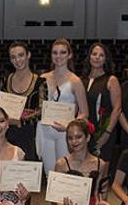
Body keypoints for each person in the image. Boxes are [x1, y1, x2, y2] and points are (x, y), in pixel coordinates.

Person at [36, 38, 89, 176]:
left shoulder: (75, 81)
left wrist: (69, 127)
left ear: (69, 55)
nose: (58, 56)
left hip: (65, 133)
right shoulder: (43, 78)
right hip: (45, 130)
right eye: (55, 53)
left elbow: (84, 113)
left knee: (65, 175)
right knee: (49, 174)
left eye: (62, 52)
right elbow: (37, 107)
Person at [82, 42, 122, 164]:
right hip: (84, 133)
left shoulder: (111, 80)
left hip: (103, 132)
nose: (97, 57)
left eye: (101, 55)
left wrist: (107, 133)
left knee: (102, 172)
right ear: (89, 57)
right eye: (94, 54)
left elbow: (117, 109)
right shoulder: (80, 80)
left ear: (106, 59)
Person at [4, 41, 42, 162]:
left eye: (21, 55)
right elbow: (0, 108)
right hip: (9, 135)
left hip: (31, 136)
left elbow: (42, 112)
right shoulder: (5, 80)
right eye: (13, 57)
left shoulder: (40, 82)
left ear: (28, 55)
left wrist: (20, 121)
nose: (17, 60)